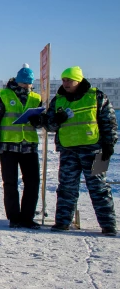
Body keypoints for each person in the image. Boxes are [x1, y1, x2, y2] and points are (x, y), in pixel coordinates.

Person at [29, 66, 117, 236]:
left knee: (100, 187)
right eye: (63, 80)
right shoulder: (59, 100)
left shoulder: (96, 96)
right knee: (66, 188)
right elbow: (50, 125)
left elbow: (109, 122)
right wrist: (49, 119)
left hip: (96, 151)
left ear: (79, 80)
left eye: (69, 80)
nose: (66, 83)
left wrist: (109, 145)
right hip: (68, 151)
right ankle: (62, 222)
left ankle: (108, 225)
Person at [0, 64, 42, 229]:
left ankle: (27, 217)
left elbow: (41, 121)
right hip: (8, 147)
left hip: (29, 147)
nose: (26, 86)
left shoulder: (36, 98)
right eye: (23, 83)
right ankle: (14, 217)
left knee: (32, 183)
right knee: (10, 183)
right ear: (17, 81)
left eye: (29, 83)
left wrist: (38, 121)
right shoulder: (3, 95)